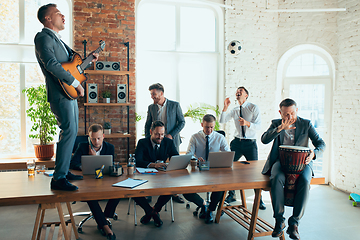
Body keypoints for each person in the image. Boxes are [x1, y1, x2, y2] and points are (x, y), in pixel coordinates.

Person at [35, 4, 98, 191]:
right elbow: (52, 65)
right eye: (58, 13)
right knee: (69, 131)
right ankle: (59, 178)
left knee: (70, 132)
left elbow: (72, 68)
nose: (63, 16)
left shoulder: (59, 41)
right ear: (47, 18)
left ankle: (63, 170)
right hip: (60, 94)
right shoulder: (43, 37)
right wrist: (76, 84)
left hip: (68, 93)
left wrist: (88, 61)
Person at [261, 98, 325, 239]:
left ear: (297, 110)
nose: (289, 117)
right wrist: (279, 129)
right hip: (281, 161)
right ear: (280, 112)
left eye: (292, 113)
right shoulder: (276, 123)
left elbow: (320, 143)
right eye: (285, 114)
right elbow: (264, 139)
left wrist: (314, 153)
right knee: (276, 178)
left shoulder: (306, 124)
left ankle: (294, 223)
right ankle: (279, 220)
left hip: (302, 162)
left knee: (305, 181)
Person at [219, 86, 266, 209]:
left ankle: (259, 199)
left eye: (241, 91)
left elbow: (259, 126)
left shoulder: (253, 108)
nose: (238, 93)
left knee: (256, 172)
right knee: (229, 167)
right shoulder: (234, 110)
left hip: (250, 143)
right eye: (237, 92)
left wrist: (247, 123)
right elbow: (222, 120)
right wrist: (225, 107)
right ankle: (232, 194)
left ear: (246, 95)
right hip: (237, 143)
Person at [71, 124, 117, 240]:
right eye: (93, 138)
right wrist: (86, 163)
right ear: (89, 137)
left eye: (98, 138)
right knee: (90, 196)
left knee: (118, 192)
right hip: (88, 182)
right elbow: (73, 163)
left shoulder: (109, 147)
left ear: (103, 136)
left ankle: (103, 217)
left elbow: (111, 166)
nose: (96, 142)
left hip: (105, 181)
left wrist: (94, 159)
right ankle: (106, 228)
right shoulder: (82, 146)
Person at [183, 114, 230, 224]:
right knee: (185, 190)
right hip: (199, 169)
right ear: (202, 125)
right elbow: (189, 154)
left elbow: (228, 154)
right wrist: (195, 159)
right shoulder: (195, 137)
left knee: (221, 187)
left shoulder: (220, 137)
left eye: (212, 127)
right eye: (206, 127)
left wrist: (221, 158)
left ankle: (210, 209)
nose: (209, 130)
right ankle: (202, 203)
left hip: (214, 170)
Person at [144, 83, 186, 203]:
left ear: (161, 93)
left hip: (171, 141)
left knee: (174, 167)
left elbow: (182, 122)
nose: (152, 97)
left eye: (154, 94)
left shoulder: (174, 105)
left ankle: (175, 193)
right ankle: (150, 191)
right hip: (154, 140)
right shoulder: (151, 107)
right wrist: (148, 138)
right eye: (151, 94)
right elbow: (147, 124)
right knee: (152, 163)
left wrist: (170, 135)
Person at [133, 121, 179, 227]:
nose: (160, 137)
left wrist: (171, 164)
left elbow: (176, 157)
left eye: (162, 134)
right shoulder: (142, 142)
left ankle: (153, 211)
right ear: (151, 132)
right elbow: (138, 161)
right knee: (133, 191)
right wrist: (154, 165)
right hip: (144, 175)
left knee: (171, 189)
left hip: (162, 175)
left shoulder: (168, 142)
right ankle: (151, 211)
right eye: (157, 134)